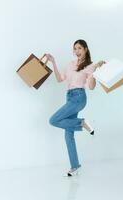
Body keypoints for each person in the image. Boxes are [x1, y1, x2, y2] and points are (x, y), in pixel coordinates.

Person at [46, 39, 105, 177]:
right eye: (75, 49)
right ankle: (75, 166)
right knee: (68, 135)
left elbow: (91, 87)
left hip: (79, 97)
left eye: (79, 48)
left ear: (85, 49)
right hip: (69, 97)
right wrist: (53, 61)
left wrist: (95, 71)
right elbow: (60, 79)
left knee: (53, 120)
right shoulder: (70, 64)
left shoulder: (91, 66)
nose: (76, 51)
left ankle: (82, 122)